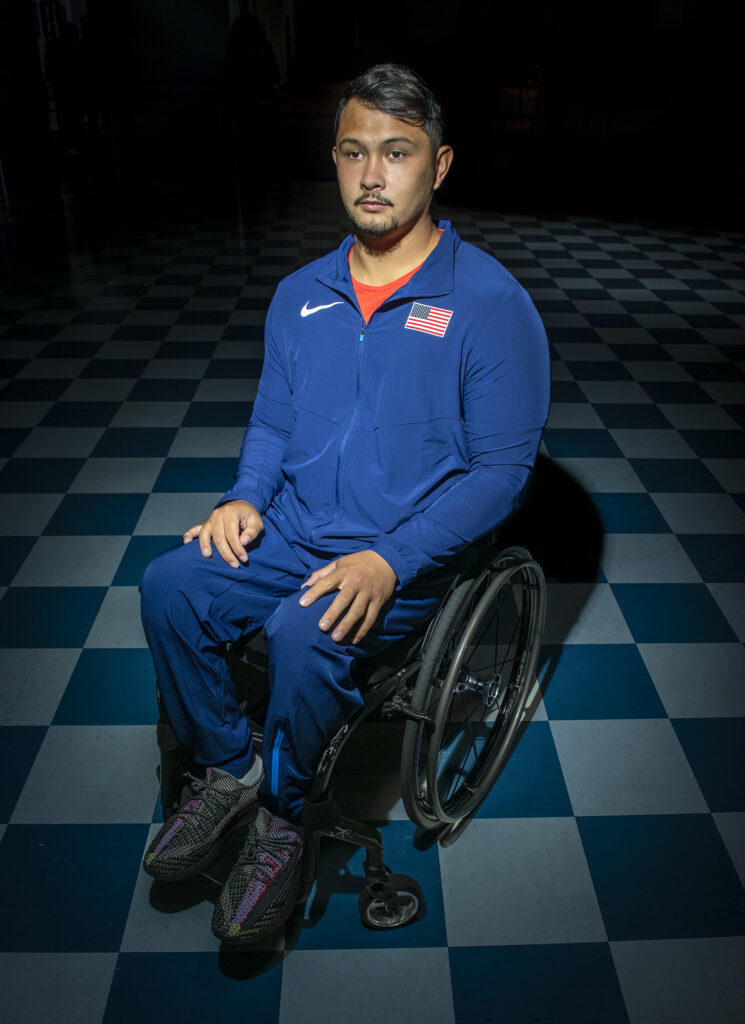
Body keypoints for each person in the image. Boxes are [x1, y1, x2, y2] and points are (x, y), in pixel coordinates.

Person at [140, 64, 550, 943]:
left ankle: (284, 820)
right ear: (333, 160)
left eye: (396, 154)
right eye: (355, 152)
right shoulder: (300, 296)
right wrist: (244, 497)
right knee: (169, 585)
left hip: (402, 552)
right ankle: (228, 771)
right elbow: (271, 420)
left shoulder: (488, 305)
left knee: (299, 630)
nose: (372, 176)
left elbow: (503, 473)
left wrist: (390, 559)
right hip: (291, 530)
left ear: (437, 167)